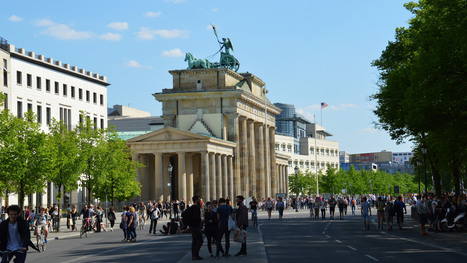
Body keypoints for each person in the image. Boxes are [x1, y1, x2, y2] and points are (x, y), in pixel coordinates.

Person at [189, 195, 203, 260]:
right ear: (196, 200)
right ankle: (195, 254)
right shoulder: (196, 208)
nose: (200, 201)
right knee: (200, 240)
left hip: (192, 226)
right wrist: (201, 220)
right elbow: (196, 218)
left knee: (194, 241)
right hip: (195, 226)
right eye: (199, 199)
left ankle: (193, 256)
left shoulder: (191, 207)